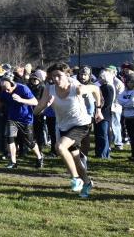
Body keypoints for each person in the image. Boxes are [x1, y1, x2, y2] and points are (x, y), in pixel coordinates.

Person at [33, 62, 102, 198]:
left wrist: (98, 110)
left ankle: (76, 179)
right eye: (53, 76)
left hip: (81, 124)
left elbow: (95, 89)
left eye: (59, 76)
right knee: (75, 158)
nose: (56, 79)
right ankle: (87, 182)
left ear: (67, 75)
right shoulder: (50, 89)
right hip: (64, 126)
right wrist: (45, 105)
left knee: (60, 147)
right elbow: (36, 110)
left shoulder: (76, 87)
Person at [0, 75, 44, 169]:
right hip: (12, 118)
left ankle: (39, 157)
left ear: (12, 84)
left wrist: (21, 100)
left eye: (8, 89)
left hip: (26, 118)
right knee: (10, 138)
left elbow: (35, 102)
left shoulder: (23, 88)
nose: (6, 91)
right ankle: (13, 162)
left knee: (29, 142)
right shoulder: (3, 90)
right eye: (4, 89)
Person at [118, 71, 134, 162]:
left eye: (131, 82)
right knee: (131, 136)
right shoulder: (125, 91)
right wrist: (127, 103)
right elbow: (119, 99)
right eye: (128, 82)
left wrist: (125, 103)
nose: (129, 83)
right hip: (127, 116)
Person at [95, 69, 116, 159]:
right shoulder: (101, 87)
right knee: (99, 134)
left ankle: (104, 154)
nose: (99, 79)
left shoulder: (108, 87)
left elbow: (107, 103)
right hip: (100, 113)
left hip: (104, 114)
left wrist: (99, 108)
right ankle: (100, 152)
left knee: (104, 134)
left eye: (101, 77)